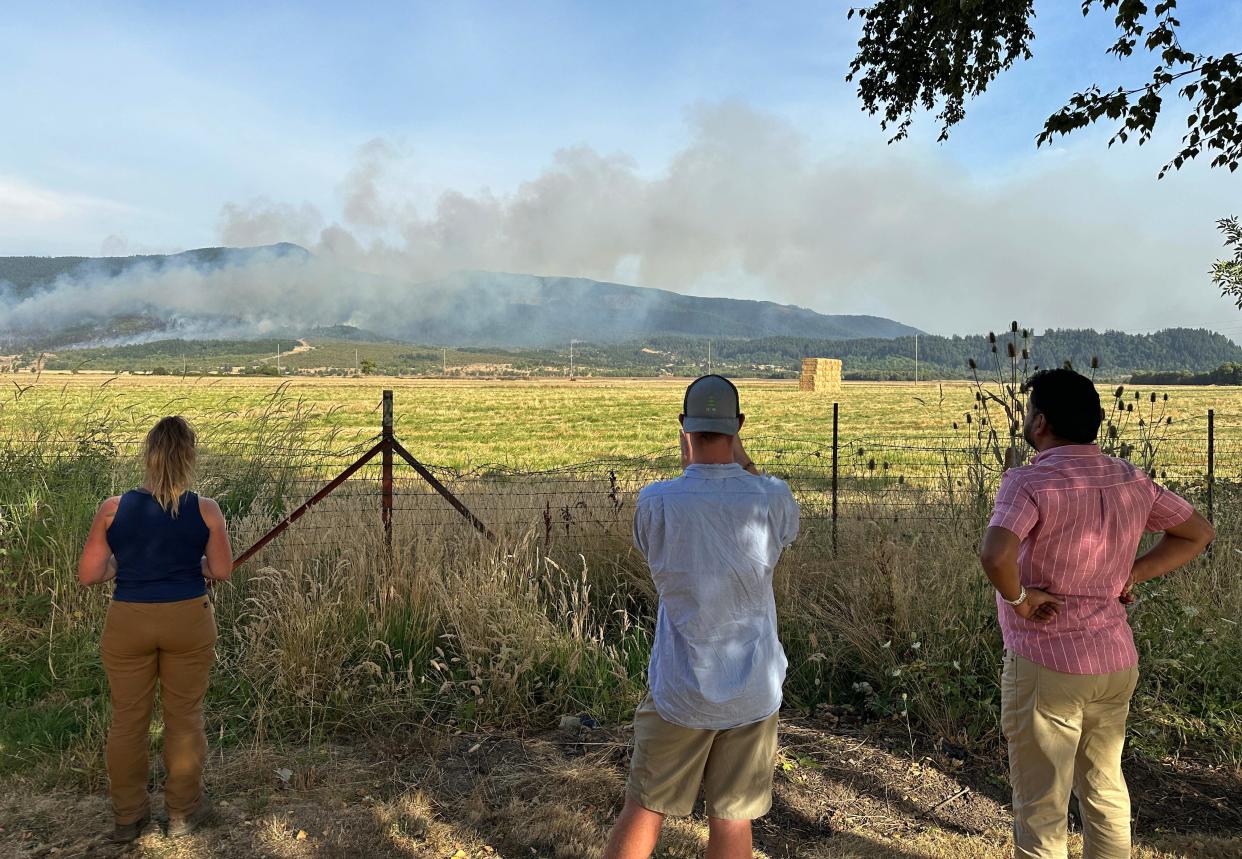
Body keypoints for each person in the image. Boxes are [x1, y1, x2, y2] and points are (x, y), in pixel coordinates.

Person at [979, 369, 1214, 859]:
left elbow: (996, 555)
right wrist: (1132, 574)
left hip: (1047, 662)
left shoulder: (1030, 479)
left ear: (1040, 422)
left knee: (1041, 804)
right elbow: (1198, 533)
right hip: (1114, 659)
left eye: (1028, 412)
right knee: (1105, 790)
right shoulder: (1132, 478)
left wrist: (1021, 599)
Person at [603, 375, 800, 859]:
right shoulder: (771, 497)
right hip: (752, 688)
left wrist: (692, 461)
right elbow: (777, 516)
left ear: (682, 427)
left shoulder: (656, 501)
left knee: (644, 808)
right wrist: (742, 459)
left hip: (680, 687)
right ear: (739, 427)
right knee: (733, 820)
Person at [78, 416, 234, 843]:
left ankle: (129, 818)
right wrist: (194, 565)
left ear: (148, 455)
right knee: (185, 717)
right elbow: (221, 570)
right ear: (189, 457)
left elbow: (90, 575)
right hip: (188, 618)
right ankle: (183, 812)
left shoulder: (113, 509)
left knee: (128, 721)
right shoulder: (206, 509)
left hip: (129, 619)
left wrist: (119, 565)